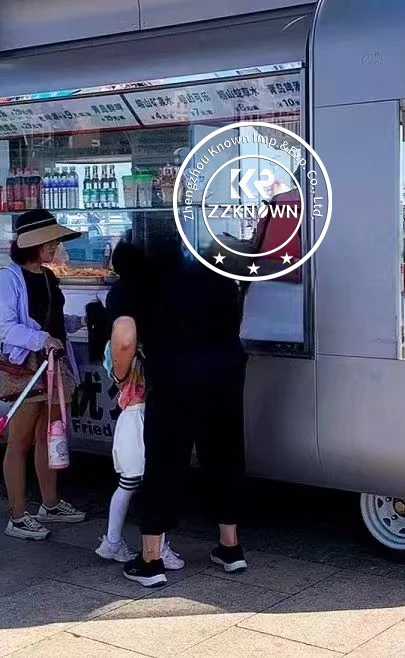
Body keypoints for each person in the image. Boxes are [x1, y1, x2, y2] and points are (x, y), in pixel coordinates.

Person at [121, 224, 249, 587]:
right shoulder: (220, 276)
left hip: (174, 375)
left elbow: (127, 336)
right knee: (225, 456)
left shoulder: (148, 284)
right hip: (225, 371)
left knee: (164, 461)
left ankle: (150, 560)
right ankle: (231, 548)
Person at [0, 208, 88, 540]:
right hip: (27, 368)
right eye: (50, 240)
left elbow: (53, 319)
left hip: (52, 364)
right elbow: (5, 328)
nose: (55, 245)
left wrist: (76, 323)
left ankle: (49, 503)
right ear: (31, 243)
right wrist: (42, 339)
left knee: (49, 438)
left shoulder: (48, 276)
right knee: (19, 441)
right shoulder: (7, 278)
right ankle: (17, 516)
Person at [93, 239, 183, 574]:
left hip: (132, 414)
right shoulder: (156, 304)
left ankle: (113, 541)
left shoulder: (120, 302)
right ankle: (156, 549)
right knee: (152, 485)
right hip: (144, 414)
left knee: (131, 484)